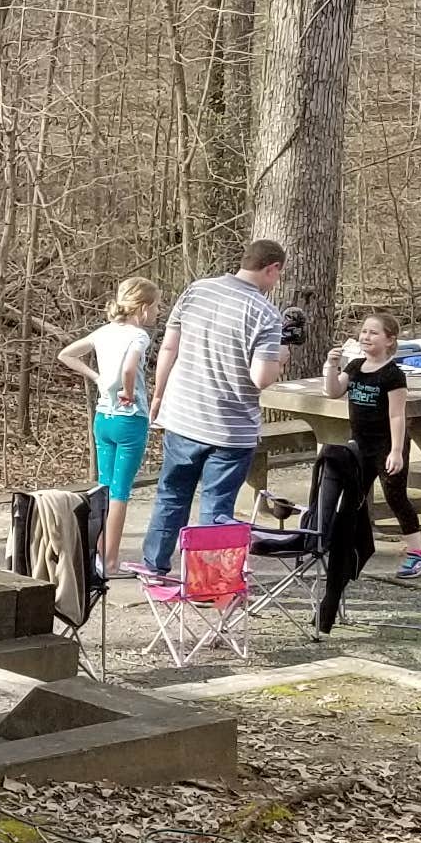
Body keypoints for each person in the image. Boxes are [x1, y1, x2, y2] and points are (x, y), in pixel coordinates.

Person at [140, 238, 295, 595]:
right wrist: (280, 358)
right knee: (216, 507)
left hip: (182, 416)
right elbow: (261, 378)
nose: (275, 281)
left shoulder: (196, 291)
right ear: (271, 268)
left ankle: (155, 569)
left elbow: (169, 346)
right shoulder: (265, 314)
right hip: (230, 428)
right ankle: (207, 583)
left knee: (171, 495)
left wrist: (159, 395)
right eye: (277, 275)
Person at [57, 277, 161, 578]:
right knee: (119, 493)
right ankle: (111, 561)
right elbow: (130, 368)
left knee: (102, 487)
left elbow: (66, 354)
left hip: (103, 419)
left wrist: (98, 377)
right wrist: (127, 391)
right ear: (141, 308)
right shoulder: (138, 336)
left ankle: (95, 555)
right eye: (155, 307)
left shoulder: (103, 332)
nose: (156, 313)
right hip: (130, 420)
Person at [326, 309, 421, 583]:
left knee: (395, 496)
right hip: (359, 445)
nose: (366, 336)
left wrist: (397, 451)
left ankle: (418, 551)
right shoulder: (355, 367)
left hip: (387, 446)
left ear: (389, 340)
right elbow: (333, 391)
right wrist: (331, 366)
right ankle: (347, 547)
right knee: (352, 496)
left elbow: (397, 415)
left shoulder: (393, 375)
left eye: (373, 332)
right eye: (363, 331)